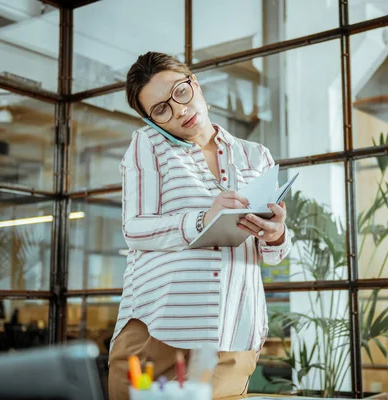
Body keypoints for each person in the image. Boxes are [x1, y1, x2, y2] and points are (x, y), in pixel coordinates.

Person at [108, 52, 292, 400]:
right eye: (161, 109)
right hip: (158, 327)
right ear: (152, 120)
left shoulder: (256, 156)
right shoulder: (148, 145)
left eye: (180, 92)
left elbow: (272, 256)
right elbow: (134, 228)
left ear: (195, 84)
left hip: (233, 331)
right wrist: (202, 219)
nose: (178, 110)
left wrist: (276, 233)